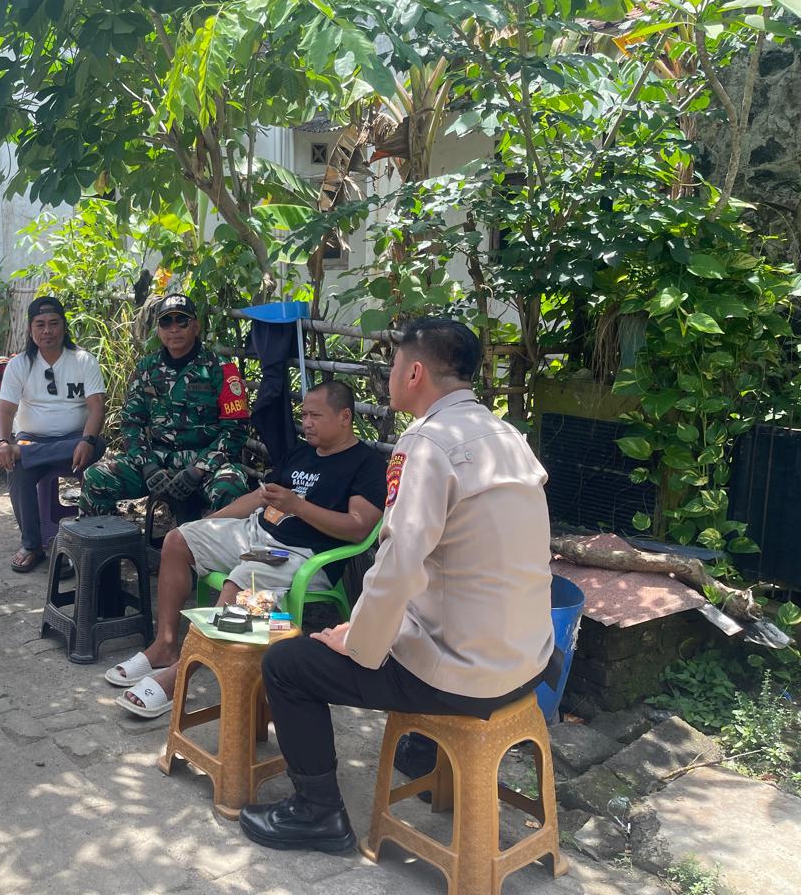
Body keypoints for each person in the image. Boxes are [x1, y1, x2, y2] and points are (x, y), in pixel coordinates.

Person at [237, 317, 557, 854]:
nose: (388, 375)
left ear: (414, 373)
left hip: (462, 675)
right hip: (529, 661)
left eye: (392, 365)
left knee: (288, 665)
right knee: (401, 631)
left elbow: (399, 564)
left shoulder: (427, 443)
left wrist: (358, 641)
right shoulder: (509, 437)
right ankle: (425, 755)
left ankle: (317, 813)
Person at [106, 380, 387, 719]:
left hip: (301, 554)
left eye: (315, 416)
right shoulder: (302, 453)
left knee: (239, 583)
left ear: (344, 417)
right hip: (255, 531)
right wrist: (209, 525)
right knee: (178, 540)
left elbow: (359, 527)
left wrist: (297, 506)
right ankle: (164, 645)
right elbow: (259, 498)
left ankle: (178, 676)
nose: (306, 423)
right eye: (304, 415)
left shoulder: (366, 464)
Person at [79, 293, 251, 517]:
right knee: (96, 477)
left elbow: (235, 430)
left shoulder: (221, 369)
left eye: (182, 321)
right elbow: (131, 424)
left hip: (207, 464)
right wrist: (147, 465)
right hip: (157, 462)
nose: (174, 329)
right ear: (158, 330)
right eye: (166, 322)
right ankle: (105, 537)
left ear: (196, 326)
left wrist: (200, 468)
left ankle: (213, 541)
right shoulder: (146, 368)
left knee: (231, 489)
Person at [0, 295, 106, 572]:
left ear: (64, 326)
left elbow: (97, 406)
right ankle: (32, 546)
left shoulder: (83, 360)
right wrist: (2, 444)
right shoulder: (19, 365)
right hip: (32, 439)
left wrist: (87, 439)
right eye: (40, 324)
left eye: (53, 323)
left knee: (98, 445)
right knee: (18, 469)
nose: (47, 330)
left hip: (75, 441)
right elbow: (5, 411)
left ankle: (22, 453)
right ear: (30, 329)